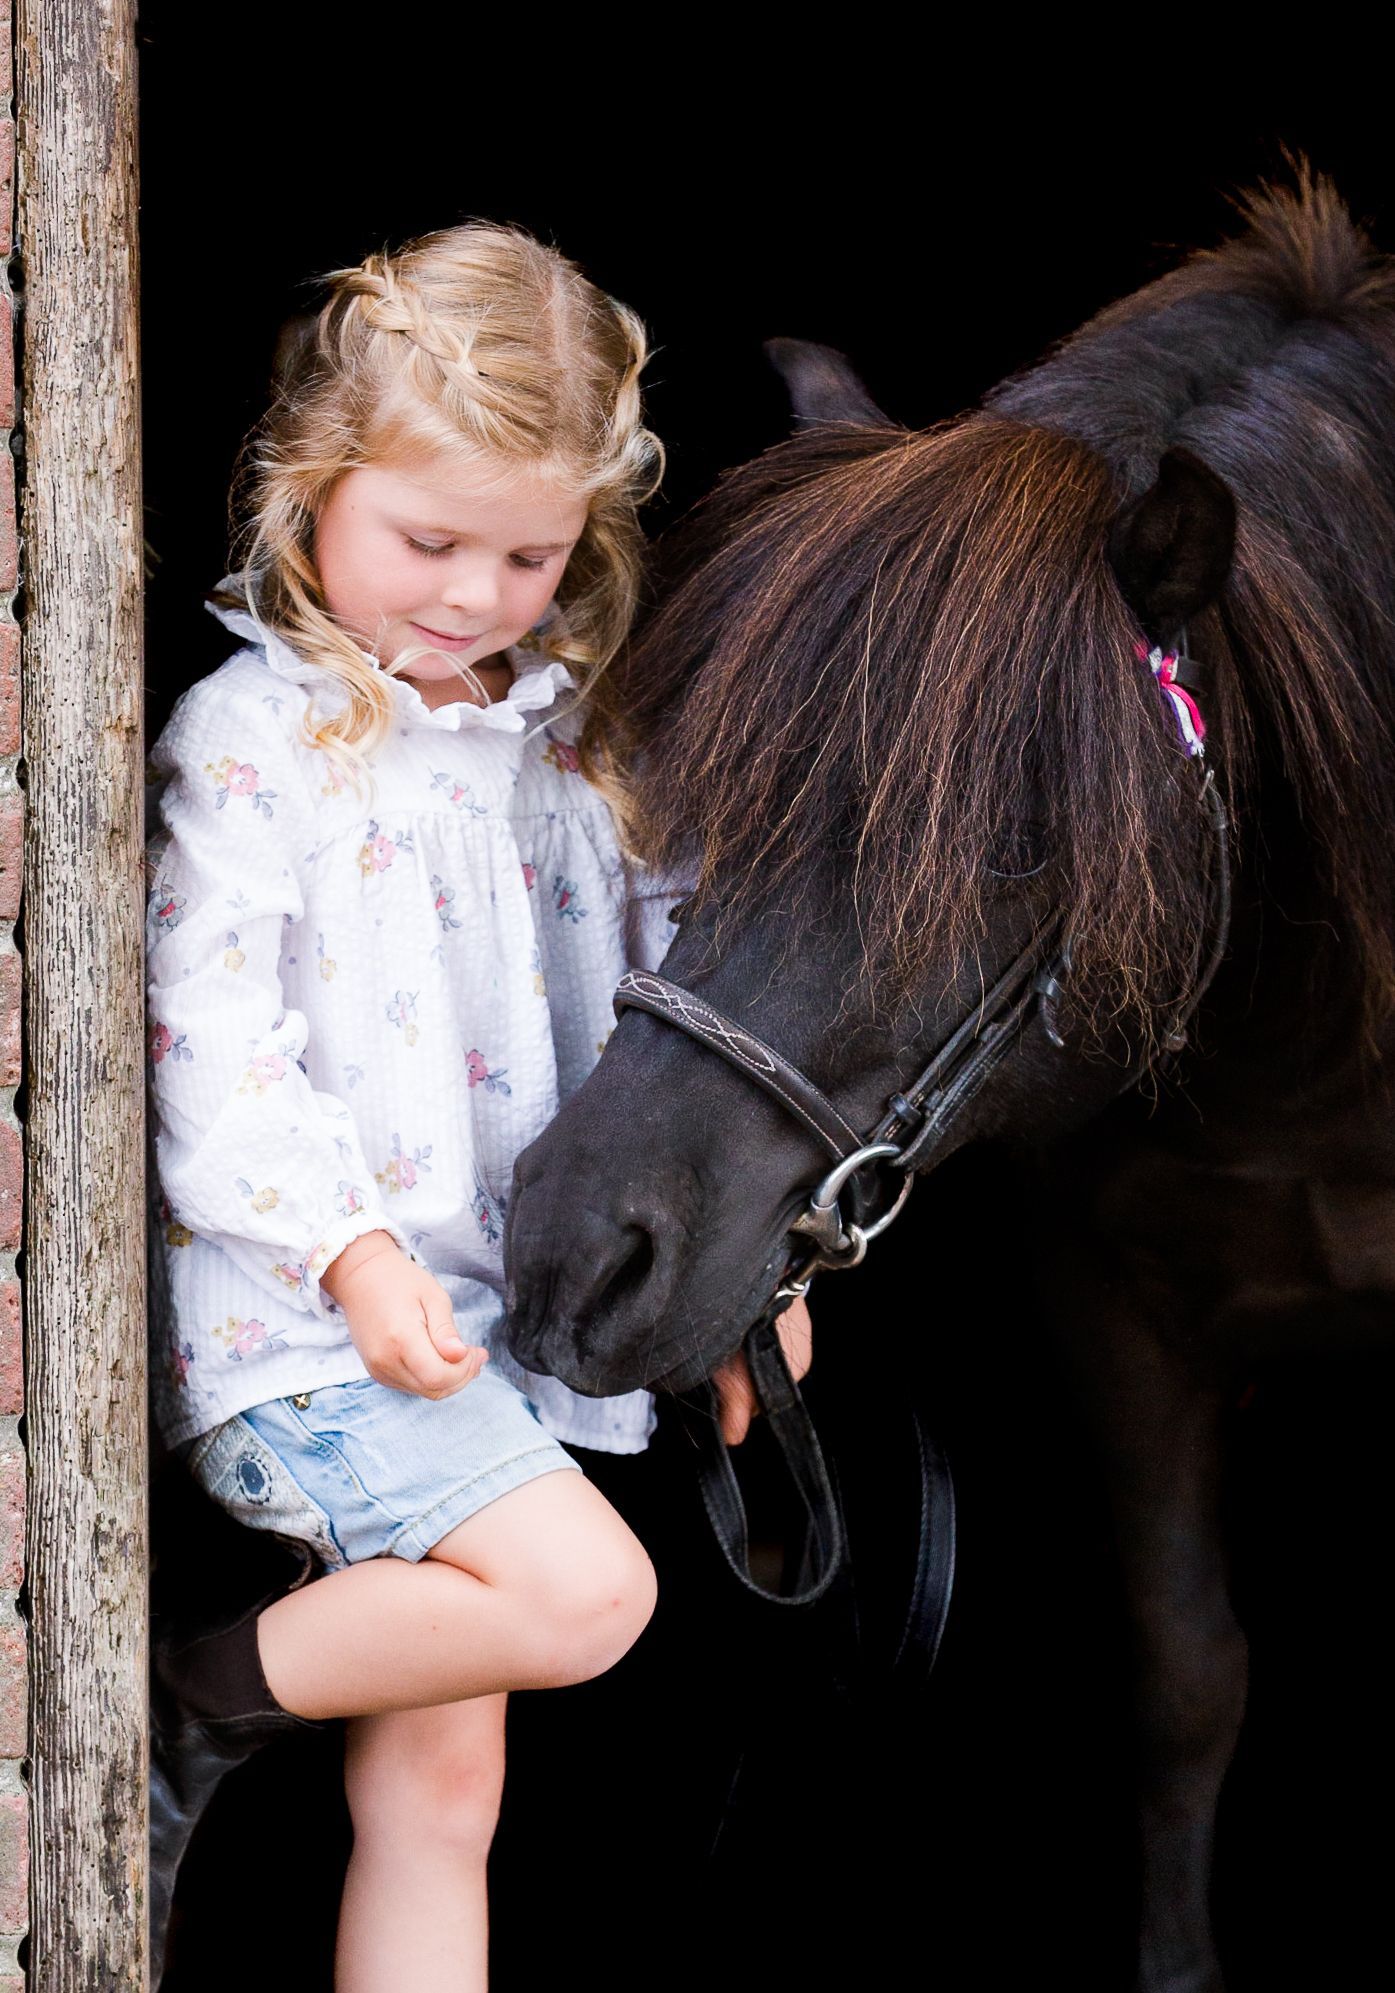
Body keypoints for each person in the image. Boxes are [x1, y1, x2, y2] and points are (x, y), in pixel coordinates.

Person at [144, 220, 812, 1991]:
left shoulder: (592, 748)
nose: (471, 594)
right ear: (309, 493)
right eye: (425, 539)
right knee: (592, 1595)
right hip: (317, 1327)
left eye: (528, 553)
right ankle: (186, 1699)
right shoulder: (255, 739)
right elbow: (204, 1035)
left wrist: (746, 1277)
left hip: (496, 1345)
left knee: (447, 1789)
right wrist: (352, 1250)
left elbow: (686, 1017)